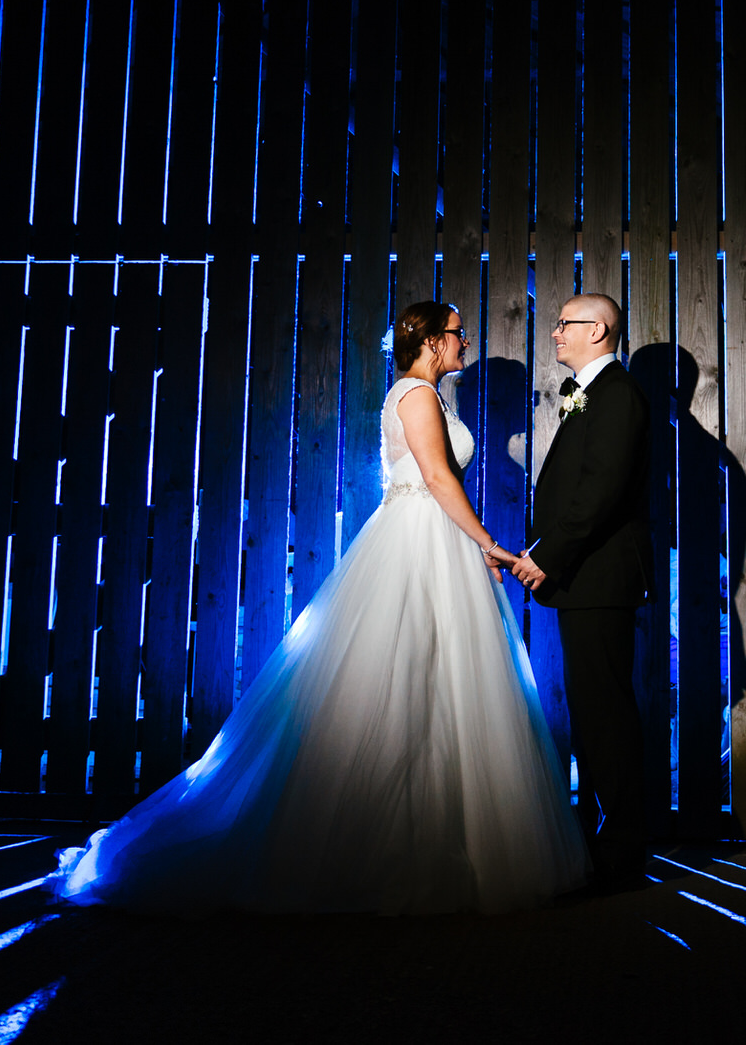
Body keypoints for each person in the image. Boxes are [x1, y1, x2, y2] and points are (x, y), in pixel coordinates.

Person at [47, 302, 589, 914]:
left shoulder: (430, 396)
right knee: (400, 679)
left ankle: (442, 832)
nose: (467, 345)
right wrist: (488, 542)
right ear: (436, 342)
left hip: (436, 540)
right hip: (417, 541)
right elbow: (438, 480)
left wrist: (473, 544)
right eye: (460, 335)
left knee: (441, 683)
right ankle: (383, 843)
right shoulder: (416, 396)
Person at [512, 294, 653, 893]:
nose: (554, 335)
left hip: (599, 578)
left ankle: (621, 852)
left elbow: (599, 493)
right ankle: (606, 844)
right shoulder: (594, 392)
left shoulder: (618, 394)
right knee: (595, 711)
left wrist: (544, 556)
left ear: (596, 329)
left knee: (606, 714)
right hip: (585, 579)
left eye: (564, 324)